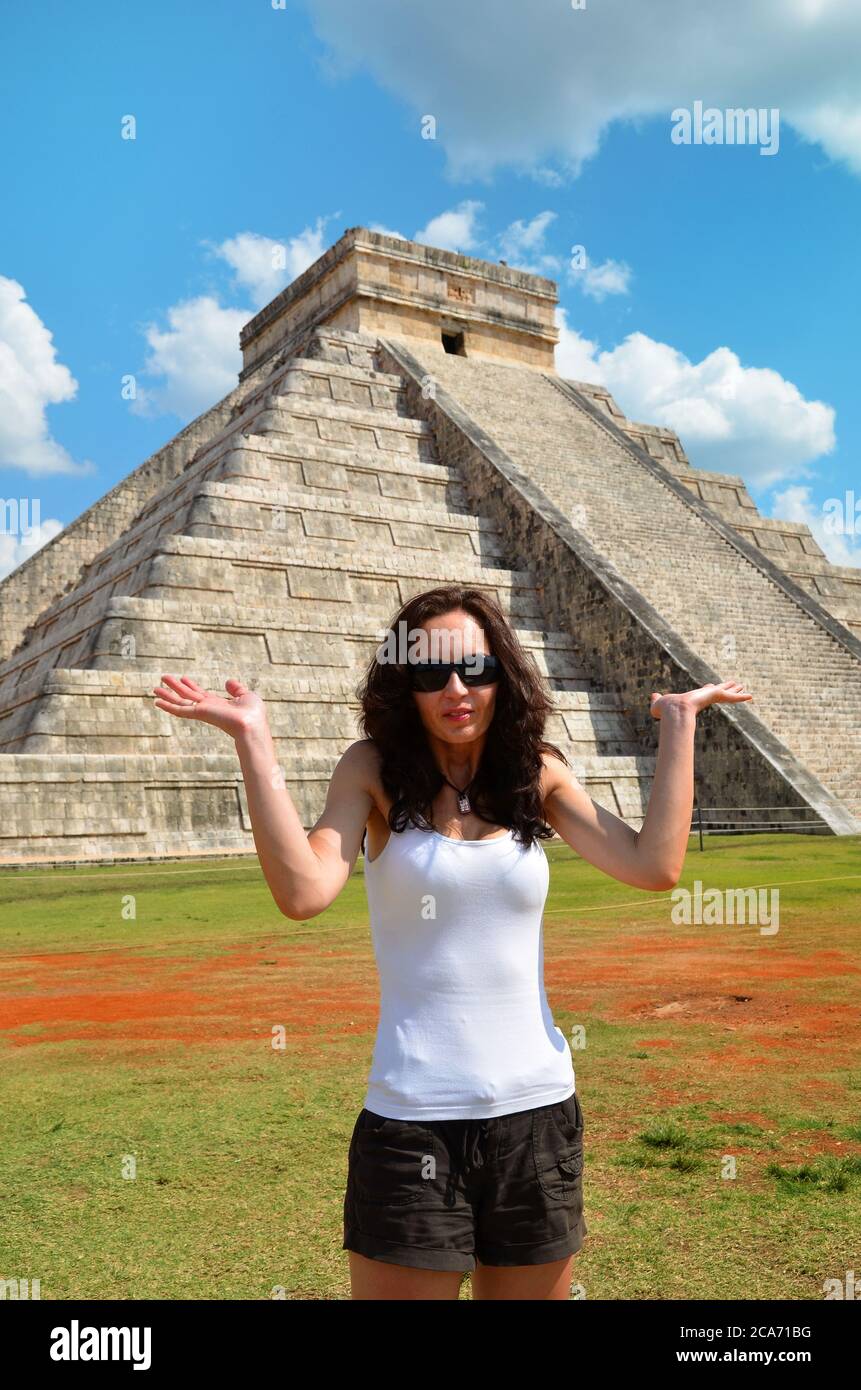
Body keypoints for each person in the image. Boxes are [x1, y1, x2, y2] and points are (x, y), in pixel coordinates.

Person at [152, 583, 752, 1300]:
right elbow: (304, 891)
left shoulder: (535, 769)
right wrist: (254, 741)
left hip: (536, 1115)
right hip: (412, 1124)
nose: (455, 688)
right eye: (429, 673)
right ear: (402, 684)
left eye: (474, 668)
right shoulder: (371, 770)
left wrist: (678, 725)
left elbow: (653, 867)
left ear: (503, 672)